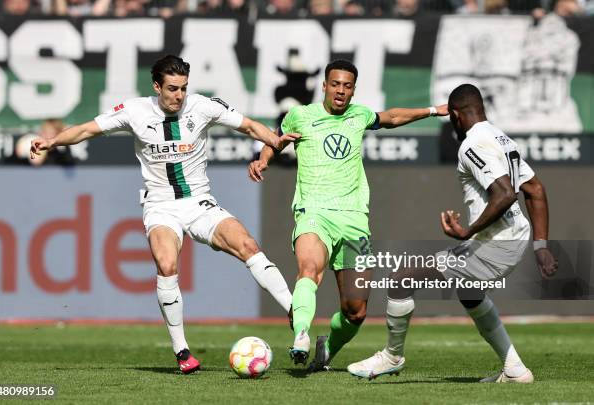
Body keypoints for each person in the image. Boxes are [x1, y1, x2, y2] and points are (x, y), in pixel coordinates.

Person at [30, 55, 298, 374]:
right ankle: (182, 352)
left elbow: (250, 125)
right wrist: (51, 142)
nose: (179, 96)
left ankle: (299, 315)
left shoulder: (202, 107)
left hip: (199, 202)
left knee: (249, 247)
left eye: (183, 88)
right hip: (160, 206)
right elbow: (87, 130)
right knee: (167, 264)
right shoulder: (134, 111)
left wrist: (274, 141)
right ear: (157, 86)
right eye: (172, 89)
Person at [347, 83, 558, 382]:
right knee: (470, 293)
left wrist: (467, 231)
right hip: (515, 238)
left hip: (495, 244)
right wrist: (541, 246)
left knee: (402, 278)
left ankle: (391, 356)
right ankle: (514, 370)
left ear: (456, 115)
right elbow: (534, 190)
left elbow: (505, 194)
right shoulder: (501, 137)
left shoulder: (472, 145)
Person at [248, 59, 448, 369]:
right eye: (336, 84)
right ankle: (300, 334)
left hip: (354, 219)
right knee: (309, 269)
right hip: (314, 212)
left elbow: (392, 117)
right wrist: (263, 160)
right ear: (324, 85)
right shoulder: (300, 116)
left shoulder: (360, 115)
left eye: (347, 86)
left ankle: (327, 348)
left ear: (353, 90)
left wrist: (433, 111)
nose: (341, 90)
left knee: (356, 311)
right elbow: (275, 142)